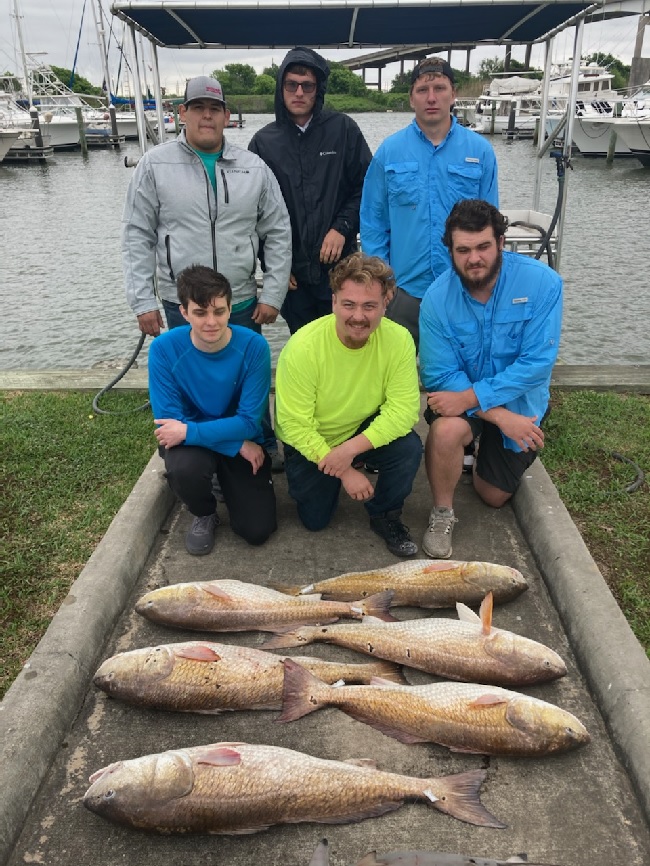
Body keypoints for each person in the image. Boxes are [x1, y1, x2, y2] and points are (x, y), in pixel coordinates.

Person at [122, 75, 291, 466]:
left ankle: (261, 443)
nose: (207, 116)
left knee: (248, 380)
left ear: (227, 115)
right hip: (178, 301)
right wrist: (142, 300)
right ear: (182, 113)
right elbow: (136, 235)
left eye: (215, 109)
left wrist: (273, 293)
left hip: (241, 299)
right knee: (189, 383)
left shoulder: (254, 168)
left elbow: (278, 232)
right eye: (198, 108)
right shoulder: (153, 165)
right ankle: (194, 453)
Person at [418, 199, 563, 559]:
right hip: (468, 402)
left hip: (520, 401)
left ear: (500, 241)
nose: (474, 258)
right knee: (446, 430)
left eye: (483, 246)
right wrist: (496, 416)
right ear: (450, 250)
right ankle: (442, 513)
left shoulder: (544, 283)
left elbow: (537, 364)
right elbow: (439, 375)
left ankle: (481, 452)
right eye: (463, 250)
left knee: (492, 495)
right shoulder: (436, 299)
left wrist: (474, 400)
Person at [275, 252, 423, 557]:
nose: (358, 316)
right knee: (314, 520)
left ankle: (385, 514)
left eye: (369, 305)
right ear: (333, 302)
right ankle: (338, 471)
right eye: (349, 304)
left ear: (387, 301)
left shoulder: (400, 340)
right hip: (315, 437)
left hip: (360, 428)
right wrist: (342, 470)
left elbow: (404, 410)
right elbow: (293, 424)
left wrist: (348, 451)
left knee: (409, 447)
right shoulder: (303, 347)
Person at [360, 57, 499, 350]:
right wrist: (383, 282)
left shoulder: (481, 152)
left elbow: (491, 226)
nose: (432, 97)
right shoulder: (389, 151)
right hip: (403, 293)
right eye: (423, 90)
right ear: (411, 98)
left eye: (440, 88)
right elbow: (373, 222)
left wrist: (483, 282)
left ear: (454, 94)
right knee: (398, 375)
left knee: (457, 377)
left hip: (462, 290)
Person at [148, 265, 277, 556]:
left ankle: (225, 478)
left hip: (220, 434)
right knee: (184, 469)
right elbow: (170, 423)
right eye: (200, 312)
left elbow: (249, 422)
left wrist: (195, 432)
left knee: (257, 530)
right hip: (199, 443)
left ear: (231, 309)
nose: (211, 322)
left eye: (219, 311)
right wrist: (233, 441)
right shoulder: (163, 349)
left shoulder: (254, 346)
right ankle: (204, 511)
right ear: (183, 313)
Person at [249, 47, 372, 334]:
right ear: (281, 88)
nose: (299, 92)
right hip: (292, 276)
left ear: (319, 90)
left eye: (308, 86)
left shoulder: (343, 129)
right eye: (291, 84)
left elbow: (367, 189)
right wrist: (273, 265)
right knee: (304, 346)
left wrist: (342, 227)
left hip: (340, 271)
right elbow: (253, 213)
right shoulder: (263, 142)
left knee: (345, 343)